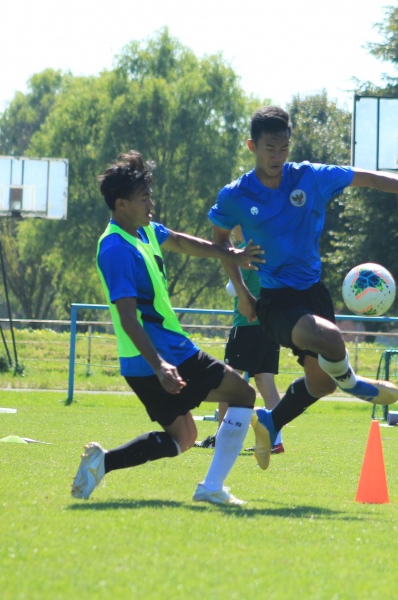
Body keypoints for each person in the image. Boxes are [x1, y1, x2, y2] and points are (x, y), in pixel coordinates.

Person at [208, 105, 398, 469]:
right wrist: (243, 293)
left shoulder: (309, 177)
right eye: (270, 148)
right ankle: (355, 385)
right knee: (333, 340)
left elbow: (366, 177)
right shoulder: (235, 195)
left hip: (313, 293)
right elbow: (219, 242)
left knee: (321, 384)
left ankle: (271, 422)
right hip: (274, 300)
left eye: (283, 148)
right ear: (252, 146)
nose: (277, 156)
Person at [71, 150, 266, 506]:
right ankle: (212, 487)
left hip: (148, 361)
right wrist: (160, 365)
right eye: (143, 199)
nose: (151, 205)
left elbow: (180, 241)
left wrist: (230, 255)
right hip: (164, 355)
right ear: (121, 205)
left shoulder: (143, 231)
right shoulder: (116, 248)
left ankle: (103, 462)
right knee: (243, 395)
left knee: (184, 437)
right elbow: (127, 317)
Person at [195, 225, 284, 454]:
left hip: (247, 324)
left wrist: (230, 263)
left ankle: (221, 438)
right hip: (270, 324)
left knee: (228, 381)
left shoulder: (245, 249)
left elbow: (233, 290)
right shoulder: (268, 247)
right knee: (266, 381)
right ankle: (275, 440)